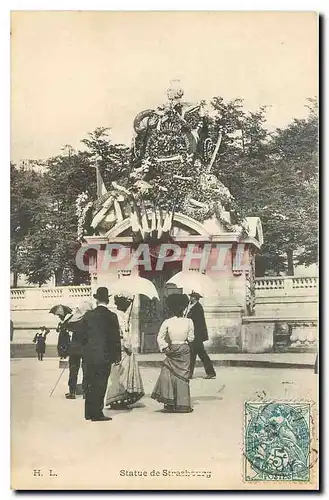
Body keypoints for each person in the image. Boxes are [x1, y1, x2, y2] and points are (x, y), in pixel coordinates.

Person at [82, 287, 121, 422]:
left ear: (96, 299)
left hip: (89, 356)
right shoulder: (112, 316)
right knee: (100, 383)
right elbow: (115, 338)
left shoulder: (88, 315)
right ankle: (97, 413)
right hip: (104, 356)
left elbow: (82, 336)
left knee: (89, 383)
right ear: (108, 299)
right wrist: (117, 356)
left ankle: (88, 412)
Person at [151, 294, 194, 413]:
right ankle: (182, 404)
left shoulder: (167, 322)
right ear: (184, 308)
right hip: (184, 349)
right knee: (183, 376)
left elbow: (160, 337)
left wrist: (165, 348)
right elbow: (191, 338)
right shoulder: (189, 321)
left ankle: (170, 402)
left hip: (172, 349)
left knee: (169, 373)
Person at [105, 295, 144, 409]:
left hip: (125, 347)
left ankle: (124, 397)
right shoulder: (117, 315)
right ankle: (117, 399)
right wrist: (127, 345)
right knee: (120, 374)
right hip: (122, 347)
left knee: (125, 374)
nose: (128, 305)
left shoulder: (124, 316)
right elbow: (122, 333)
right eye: (126, 303)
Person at [64, 302, 93, 400]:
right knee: (87, 371)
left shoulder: (74, 319)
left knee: (73, 370)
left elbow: (65, 325)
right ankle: (86, 392)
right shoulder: (89, 320)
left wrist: (73, 314)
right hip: (86, 348)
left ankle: (72, 392)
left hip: (75, 349)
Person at [186, 292, 216, 379]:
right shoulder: (193, 307)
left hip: (197, 335)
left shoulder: (197, 307)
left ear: (194, 298)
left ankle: (210, 372)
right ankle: (191, 373)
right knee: (195, 354)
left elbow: (198, 323)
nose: (190, 298)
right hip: (195, 335)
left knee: (198, 354)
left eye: (191, 297)